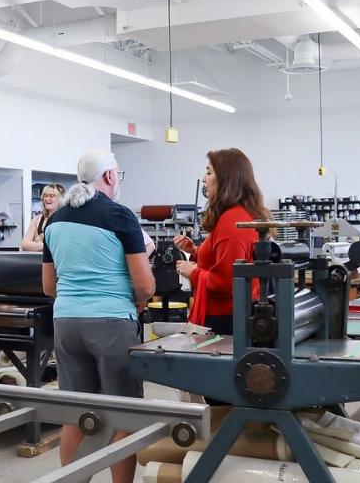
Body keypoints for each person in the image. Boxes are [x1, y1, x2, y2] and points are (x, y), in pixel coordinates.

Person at [42, 150, 155, 483]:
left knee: (76, 413)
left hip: (66, 324)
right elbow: (146, 285)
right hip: (111, 324)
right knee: (124, 414)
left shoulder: (55, 219)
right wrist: (132, 299)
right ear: (109, 177)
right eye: (118, 175)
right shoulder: (119, 215)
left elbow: (49, 287)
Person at [174, 148, 270, 334]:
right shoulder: (241, 215)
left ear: (227, 180)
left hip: (225, 320)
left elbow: (226, 283)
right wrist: (195, 251)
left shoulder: (232, 220)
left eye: (209, 172)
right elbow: (227, 261)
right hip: (236, 314)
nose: (204, 178)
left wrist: (193, 272)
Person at [21, 184, 65, 251]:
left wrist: (37, 245)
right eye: (45, 196)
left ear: (60, 199)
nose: (47, 199)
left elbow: (63, 245)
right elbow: (25, 245)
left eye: (51, 196)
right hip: (38, 260)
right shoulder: (37, 219)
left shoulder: (65, 221)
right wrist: (48, 245)